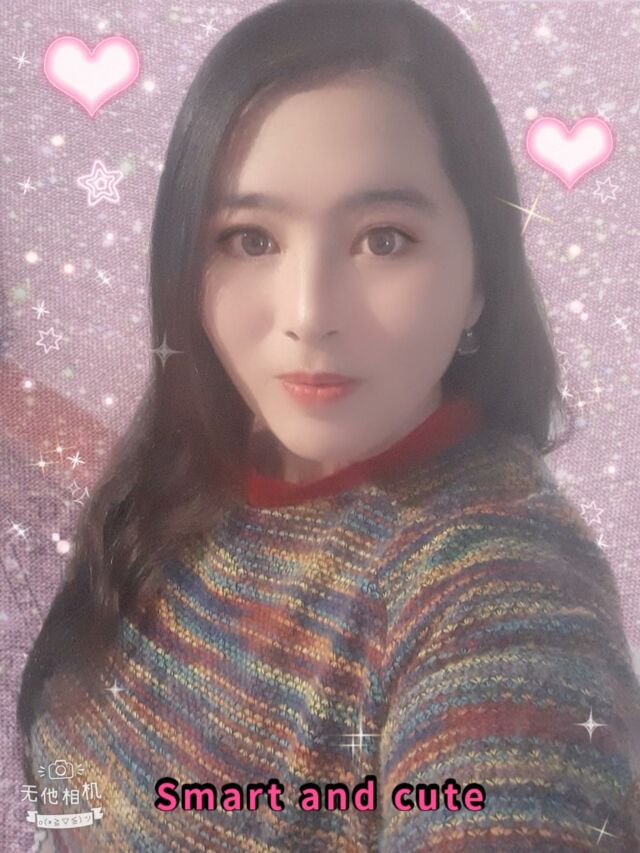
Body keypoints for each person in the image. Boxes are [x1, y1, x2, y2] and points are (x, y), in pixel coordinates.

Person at [17, 0, 640, 850]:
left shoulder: (495, 587)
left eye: (383, 240)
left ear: (480, 278)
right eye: (250, 239)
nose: (309, 315)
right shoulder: (193, 462)